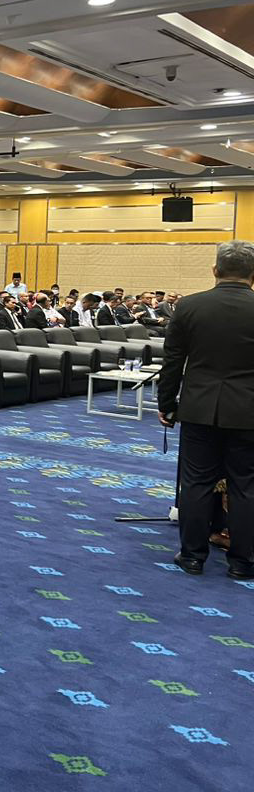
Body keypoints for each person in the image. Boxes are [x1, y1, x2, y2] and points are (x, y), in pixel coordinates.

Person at [158, 241, 254, 579]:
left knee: (196, 483)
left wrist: (167, 405)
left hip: (198, 409)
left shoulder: (189, 306)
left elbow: (172, 361)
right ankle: (242, 562)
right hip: (248, 412)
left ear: (215, 270)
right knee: (246, 486)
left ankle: (192, 557)